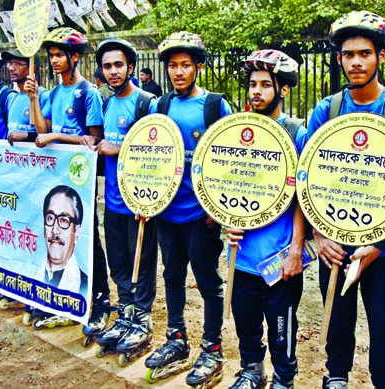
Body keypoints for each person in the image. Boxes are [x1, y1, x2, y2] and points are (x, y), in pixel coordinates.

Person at [310, 11, 385, 389]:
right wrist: (319, 235)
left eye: (364, 53)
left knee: (384, 336)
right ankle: (336, 378)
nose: (356, 62)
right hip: (334, 244)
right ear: (339, 59)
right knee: (336, 327)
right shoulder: (325, 111)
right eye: (348, 55)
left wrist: (379, 243)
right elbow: (307, 179)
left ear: (380, 56)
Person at [142, 31, 233, 388]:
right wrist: (145, 200)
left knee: (208, 281)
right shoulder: (159, 106)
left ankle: (211, 348)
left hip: (201, 215)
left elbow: (228, 161)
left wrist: (218, 210)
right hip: (167, 211)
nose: (178, 72)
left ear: (197, 67)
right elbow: (147, 158)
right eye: (173, 66)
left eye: (185, 65)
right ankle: (176, 339)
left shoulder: (214, 106)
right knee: (171, 275)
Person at [224, 50, 308, 389]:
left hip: (279, 258)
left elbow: (305, 197)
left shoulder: (296, 133)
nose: (255, 91)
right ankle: (252, 370)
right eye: (252, 84)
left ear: (283, 90)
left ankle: (284, 379)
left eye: (264, 85)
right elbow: (223, 183)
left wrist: (297, 249)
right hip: (241, 254)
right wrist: (223, 219)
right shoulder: (237, 131)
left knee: (281, 325)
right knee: (245, 320)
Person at [24, 27, 111, 330]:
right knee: (54, 238)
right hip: (56, 176)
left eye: (60, 54)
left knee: (88, 238)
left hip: (80, 178)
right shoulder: (54, 92)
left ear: (75, 56)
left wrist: (58, 136)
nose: (55, 60)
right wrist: (34, 98)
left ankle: (100, 300)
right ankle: (62, 295)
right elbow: (40, 129)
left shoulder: (89, 94)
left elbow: (94, 141)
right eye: (52, 56)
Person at [90, 38, 158, 357]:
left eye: (118, 65)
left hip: (139, 202)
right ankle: (126, 313)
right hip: (113, 200)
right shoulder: (105, 103)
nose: (113, 72)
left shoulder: (147, 102)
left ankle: (142, 319)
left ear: (130, 67)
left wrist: (119, 148)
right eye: (107, 66)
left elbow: (160, 150)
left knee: (140, 263)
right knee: (118, 260)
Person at [39, 185, 88, 297]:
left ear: (76, 231)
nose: (55, 230)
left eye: (64, 221)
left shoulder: (84, 287)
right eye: (50, 218)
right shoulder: (27, 274)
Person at [2, 49, 49, 145]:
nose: (11, 68)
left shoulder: (44, 97)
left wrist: (27, 135)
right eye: (10, 63)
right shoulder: (11, 98)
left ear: (33, 67)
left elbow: (49, 135)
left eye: (18, 64)